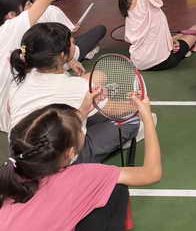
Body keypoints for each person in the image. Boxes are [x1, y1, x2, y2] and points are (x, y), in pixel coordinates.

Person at [0, 96, 161, 230]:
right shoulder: (84, 176)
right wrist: (147, 118)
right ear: (71, 153)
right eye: (80, 129)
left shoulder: (13, 171)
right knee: (117, 190)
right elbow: (151, 173)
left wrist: (82, 112)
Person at [7, 22, 137, 163]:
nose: (75, 45)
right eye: (73, 43)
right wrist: (139, 105)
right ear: (62, 55)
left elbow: (11, 108)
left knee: (94, 87)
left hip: (22, 156)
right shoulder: (75, 88)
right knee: (132, 120)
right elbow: (115, 109)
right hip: (57, 162)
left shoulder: (20, 79)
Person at [0, 0, 90, 133]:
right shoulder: (11, 29)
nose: (31, 8)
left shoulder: (10, 34)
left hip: (13, 116)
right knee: (91, 85)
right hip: (19, 118)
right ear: (11, 16)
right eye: (27, 5)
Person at [19, 0, 106, 62]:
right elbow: (67, 37)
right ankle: (82, 55)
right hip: (61, 60)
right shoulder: (52, 10)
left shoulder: (22, 15)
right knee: (100, 29)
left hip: (38, 62)